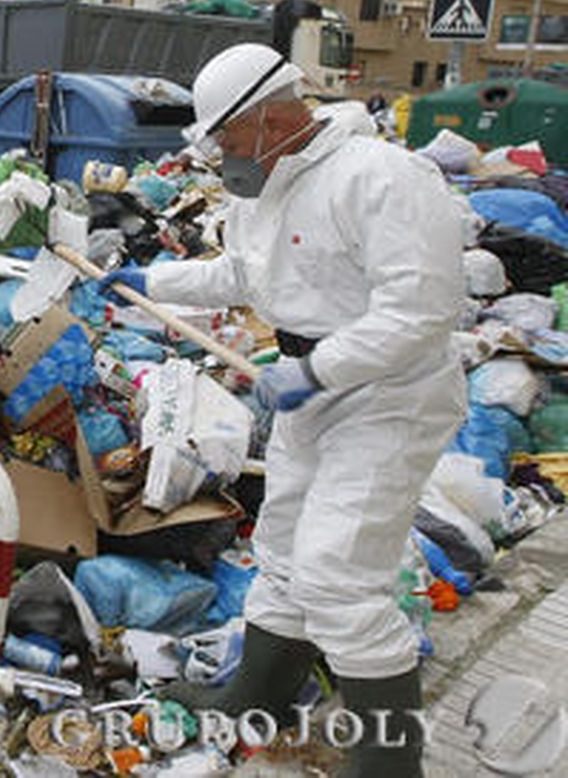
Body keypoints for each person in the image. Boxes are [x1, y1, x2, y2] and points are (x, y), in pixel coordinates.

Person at [101, 43, 464, 777]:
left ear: (269, 119)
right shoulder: (261, 187)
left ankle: (391, 763)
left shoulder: (381, 177)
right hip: (309, 391)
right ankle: (255, 700)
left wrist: (319, 370)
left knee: (339, 575)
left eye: (227, 137)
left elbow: (420, 310)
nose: (222, 155)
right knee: (285, 549)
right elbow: (242, 274)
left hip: (388, 400)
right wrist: (153, 282)